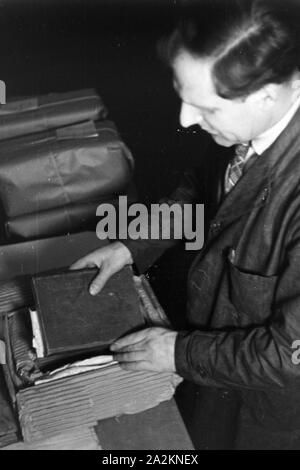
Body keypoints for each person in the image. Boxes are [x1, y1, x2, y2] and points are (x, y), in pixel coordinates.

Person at [71, 0, 300, 449]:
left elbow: (286, 355)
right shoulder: (248, 125)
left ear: (269, 94)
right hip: (214, 368)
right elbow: (202, 192)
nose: (185, 120)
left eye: (207, 108)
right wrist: (130, 246)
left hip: (269, 412)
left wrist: (176, 351)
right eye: (183, 97)